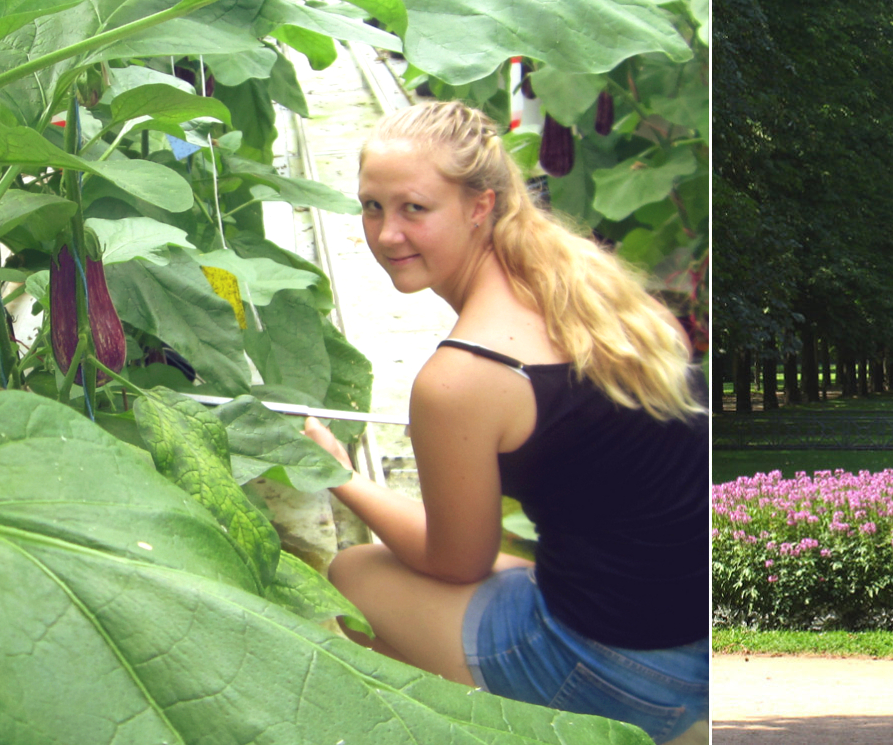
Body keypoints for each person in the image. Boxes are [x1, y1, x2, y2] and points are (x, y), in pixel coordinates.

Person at [304, 101, 711, 741]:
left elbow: (455, 563)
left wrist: (341, 476)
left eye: (415, 208)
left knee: (355, 576)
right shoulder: (590, 286)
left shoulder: (463, 375)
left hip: (626, 671)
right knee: (510, 564)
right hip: (701, 638)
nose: (386, 235)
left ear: (479, 206)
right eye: (372, 206)